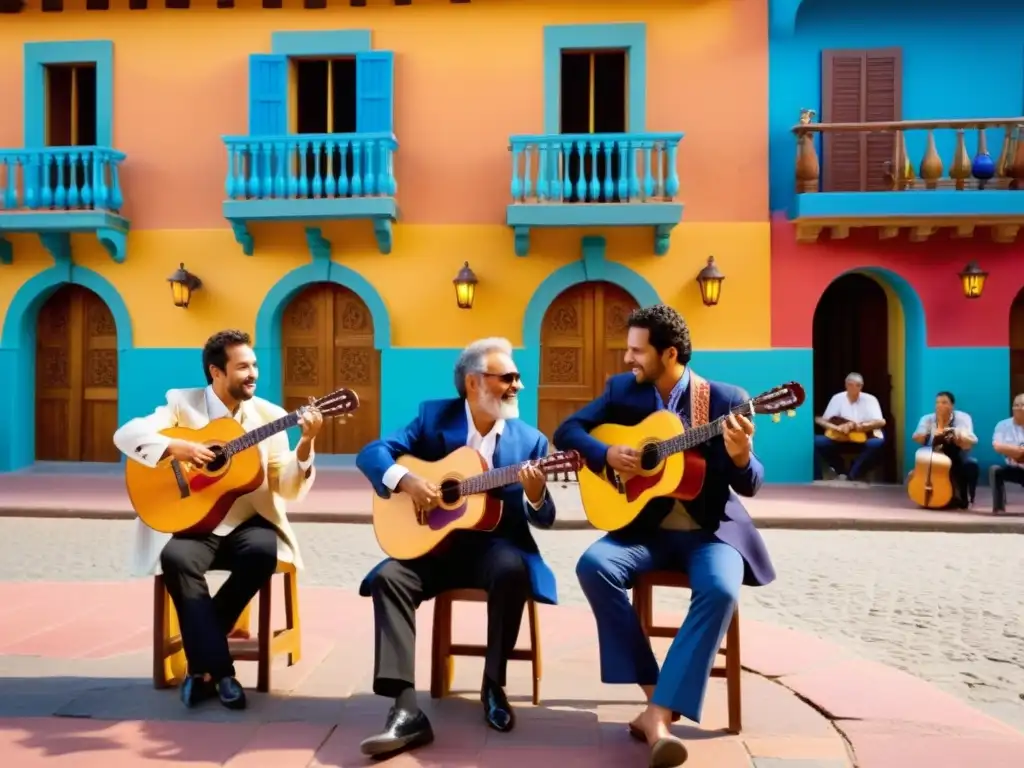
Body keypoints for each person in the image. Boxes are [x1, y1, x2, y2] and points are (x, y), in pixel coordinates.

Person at [553, 305, 775, 768]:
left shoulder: (723, 400)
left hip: (711, 534)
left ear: (669, 353)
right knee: (594, 566)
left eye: (637, 351)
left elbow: (751, 483)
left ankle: (655, 716)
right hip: (645, 531)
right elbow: (567, 430)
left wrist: (740, 455)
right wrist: (606, 452)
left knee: (719, 589)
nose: (628, 359)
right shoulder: (624, 392)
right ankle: (659, 698)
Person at [355, 337, 558, 760]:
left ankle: (493, 685)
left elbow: (544, 518)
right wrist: (407, 480)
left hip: (495, 546)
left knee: (511, 570)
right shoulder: (434, 418)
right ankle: (406, 709)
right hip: (433, 547)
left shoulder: (531, 441)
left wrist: (536, 493)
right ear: (472, 383)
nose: (517, 385)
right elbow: (372, 453)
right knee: (389, 579)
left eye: (518, 377)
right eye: (507, 378)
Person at [113, 329, 320, 710]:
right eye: (243, 367)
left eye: (254, 365)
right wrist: (181, 447)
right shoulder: (181, 404)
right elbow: (126, 435)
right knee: (176, 559)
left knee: (262, 551)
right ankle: (223, 673)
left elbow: (286, 487)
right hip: (195, 522)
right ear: (216, 372)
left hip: (248, 522)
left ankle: (200, 664)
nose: (253, 373)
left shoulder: (270, 417)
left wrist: (305, 445)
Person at [813, 372, 887, 482]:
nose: (854, 388)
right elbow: (824, 420)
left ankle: (853, 474)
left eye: (858, 385)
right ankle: (839, 470)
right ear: (846, 385)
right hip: (840, 436)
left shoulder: (871, 399)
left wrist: (862, 426)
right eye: (851, 385)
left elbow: (881, 422)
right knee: (816, 441)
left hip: (865, 435)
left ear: (862, 386)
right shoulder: (837, 398)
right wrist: (837, 428)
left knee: (877, 444)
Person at [911, 391, 978, 509]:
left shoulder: (963, 417)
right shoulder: (927, 419)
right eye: (937, 402)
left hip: (957, 453)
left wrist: (956, 434)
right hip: (932, 454)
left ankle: (963, 497)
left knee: (969, 464)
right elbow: (917, 437)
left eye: (944, 403)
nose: (939, 406)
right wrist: (931, 432)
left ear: (952, 406)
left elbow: (972, 439)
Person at [991, 393, 1024, 513]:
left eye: (1023, 405)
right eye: (1016, 405)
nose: (1019, 408)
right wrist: (1018, 452)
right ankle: (998, 508)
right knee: (995, 470)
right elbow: (997, 446)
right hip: (1014, 468)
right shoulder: (1003, 425)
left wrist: (1011, 450)